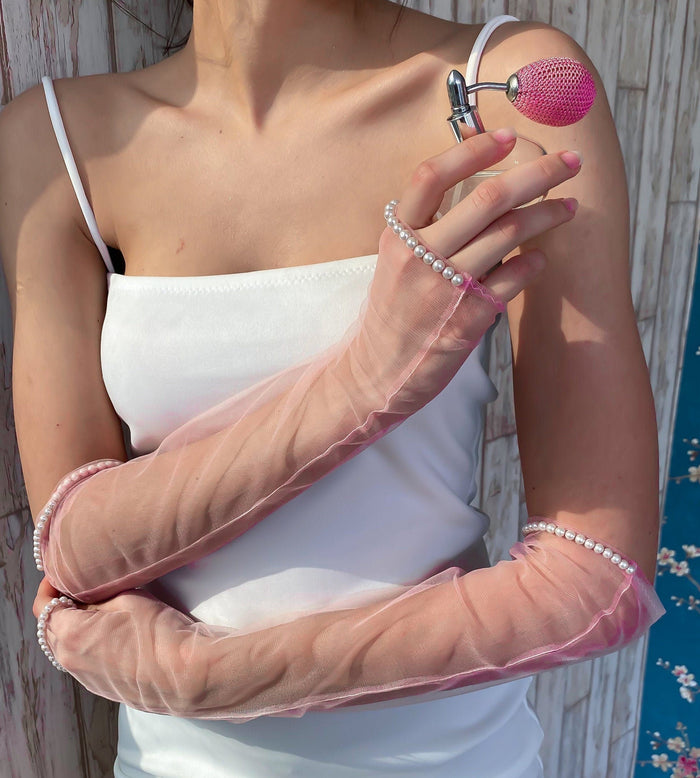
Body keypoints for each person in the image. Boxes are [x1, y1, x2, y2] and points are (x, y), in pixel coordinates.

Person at [0, 1, 660, 776]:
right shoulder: (53, 143)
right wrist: (368, 380)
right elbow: (76, 549)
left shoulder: (508, 86)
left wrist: (203, 677)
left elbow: (596, 579)